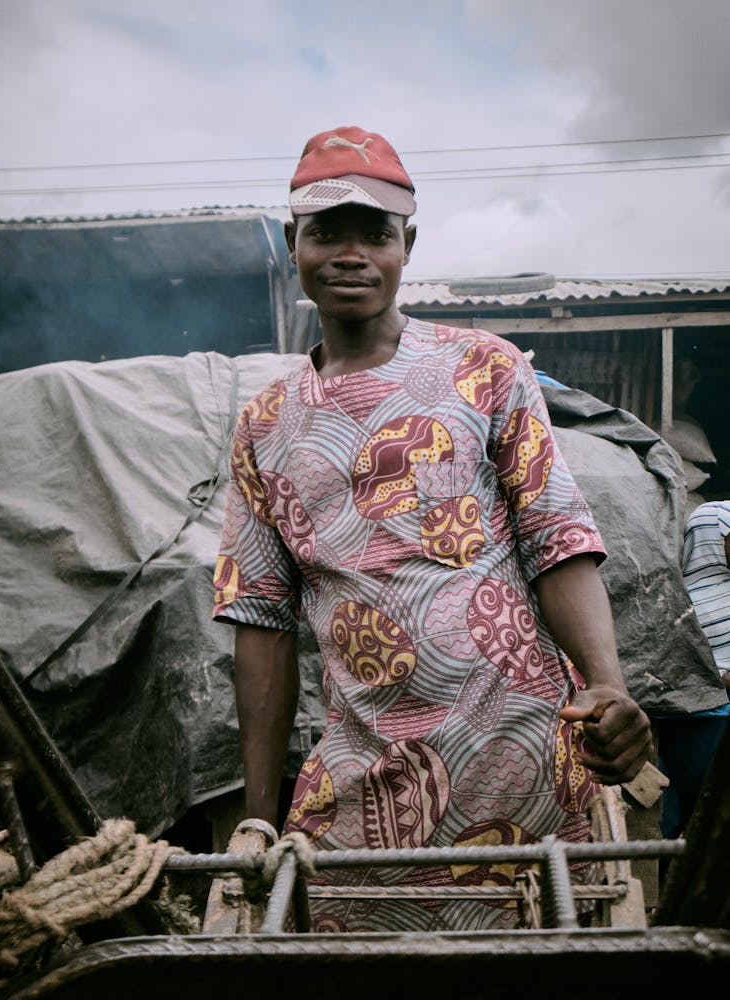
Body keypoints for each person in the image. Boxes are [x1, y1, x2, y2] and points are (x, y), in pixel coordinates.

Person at [212, 125, 652, 932]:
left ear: (406, 244)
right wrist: (260, 816)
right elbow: (261, 617)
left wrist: (607, 687)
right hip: (364, 772)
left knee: (546, 974)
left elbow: (555, 536)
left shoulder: (484, 368)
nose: (352, 253)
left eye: (374, 232)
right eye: (327, 232)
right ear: (293, 244)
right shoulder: (265, 423)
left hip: (521, 754)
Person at [655, 500, 730, 839]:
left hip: (716, 714)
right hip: (689, 714)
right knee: (675, 808)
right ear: (710, 536)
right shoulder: (674, 595)